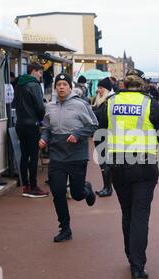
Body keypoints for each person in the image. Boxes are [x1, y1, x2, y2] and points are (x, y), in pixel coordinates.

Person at [95, 68, 159, 279]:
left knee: (127, 213)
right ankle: (138, 266)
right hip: (144, 165)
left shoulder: (110, 102)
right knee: (140, 215)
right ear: (142, 86)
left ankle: (130, 256)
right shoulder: (150, 104)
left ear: (124, 85)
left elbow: (98, 130)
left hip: (118, 164)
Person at [39, 73, 98, 242]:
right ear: (55, 88)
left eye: (65, 84)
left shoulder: (81, 104)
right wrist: (44, 138)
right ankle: (65, 229)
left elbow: (94, 125)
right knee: (57, 192)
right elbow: (47, 127)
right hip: (57, 155)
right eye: (59, 85)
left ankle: (86, 189)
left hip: (76, 155)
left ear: (70, 88)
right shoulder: (50, 106)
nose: (62, 87)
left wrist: (78, 133)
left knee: (77, 194)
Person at [14, 62, 49, 198]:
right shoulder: (34, 85)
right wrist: (42, 120)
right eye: (40, 72)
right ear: (33, 71)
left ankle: (26, 185)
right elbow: (40, 107)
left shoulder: (18, 84)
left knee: (24, 155)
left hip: (20, 123)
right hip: (32, 124)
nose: (40, 75)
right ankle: (33, 187)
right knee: (33, 156)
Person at [92, 77, 114, 197]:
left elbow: (102, 116)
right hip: (99, 134)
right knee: (102, 162)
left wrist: (91, 113)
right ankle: (106, 187)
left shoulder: (108, 100)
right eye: (98, 88)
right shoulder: (100, 101)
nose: (98, 90)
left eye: (101, 88)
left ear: (106, 89)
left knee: (105, 162)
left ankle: (108, 188)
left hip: (105, 135)